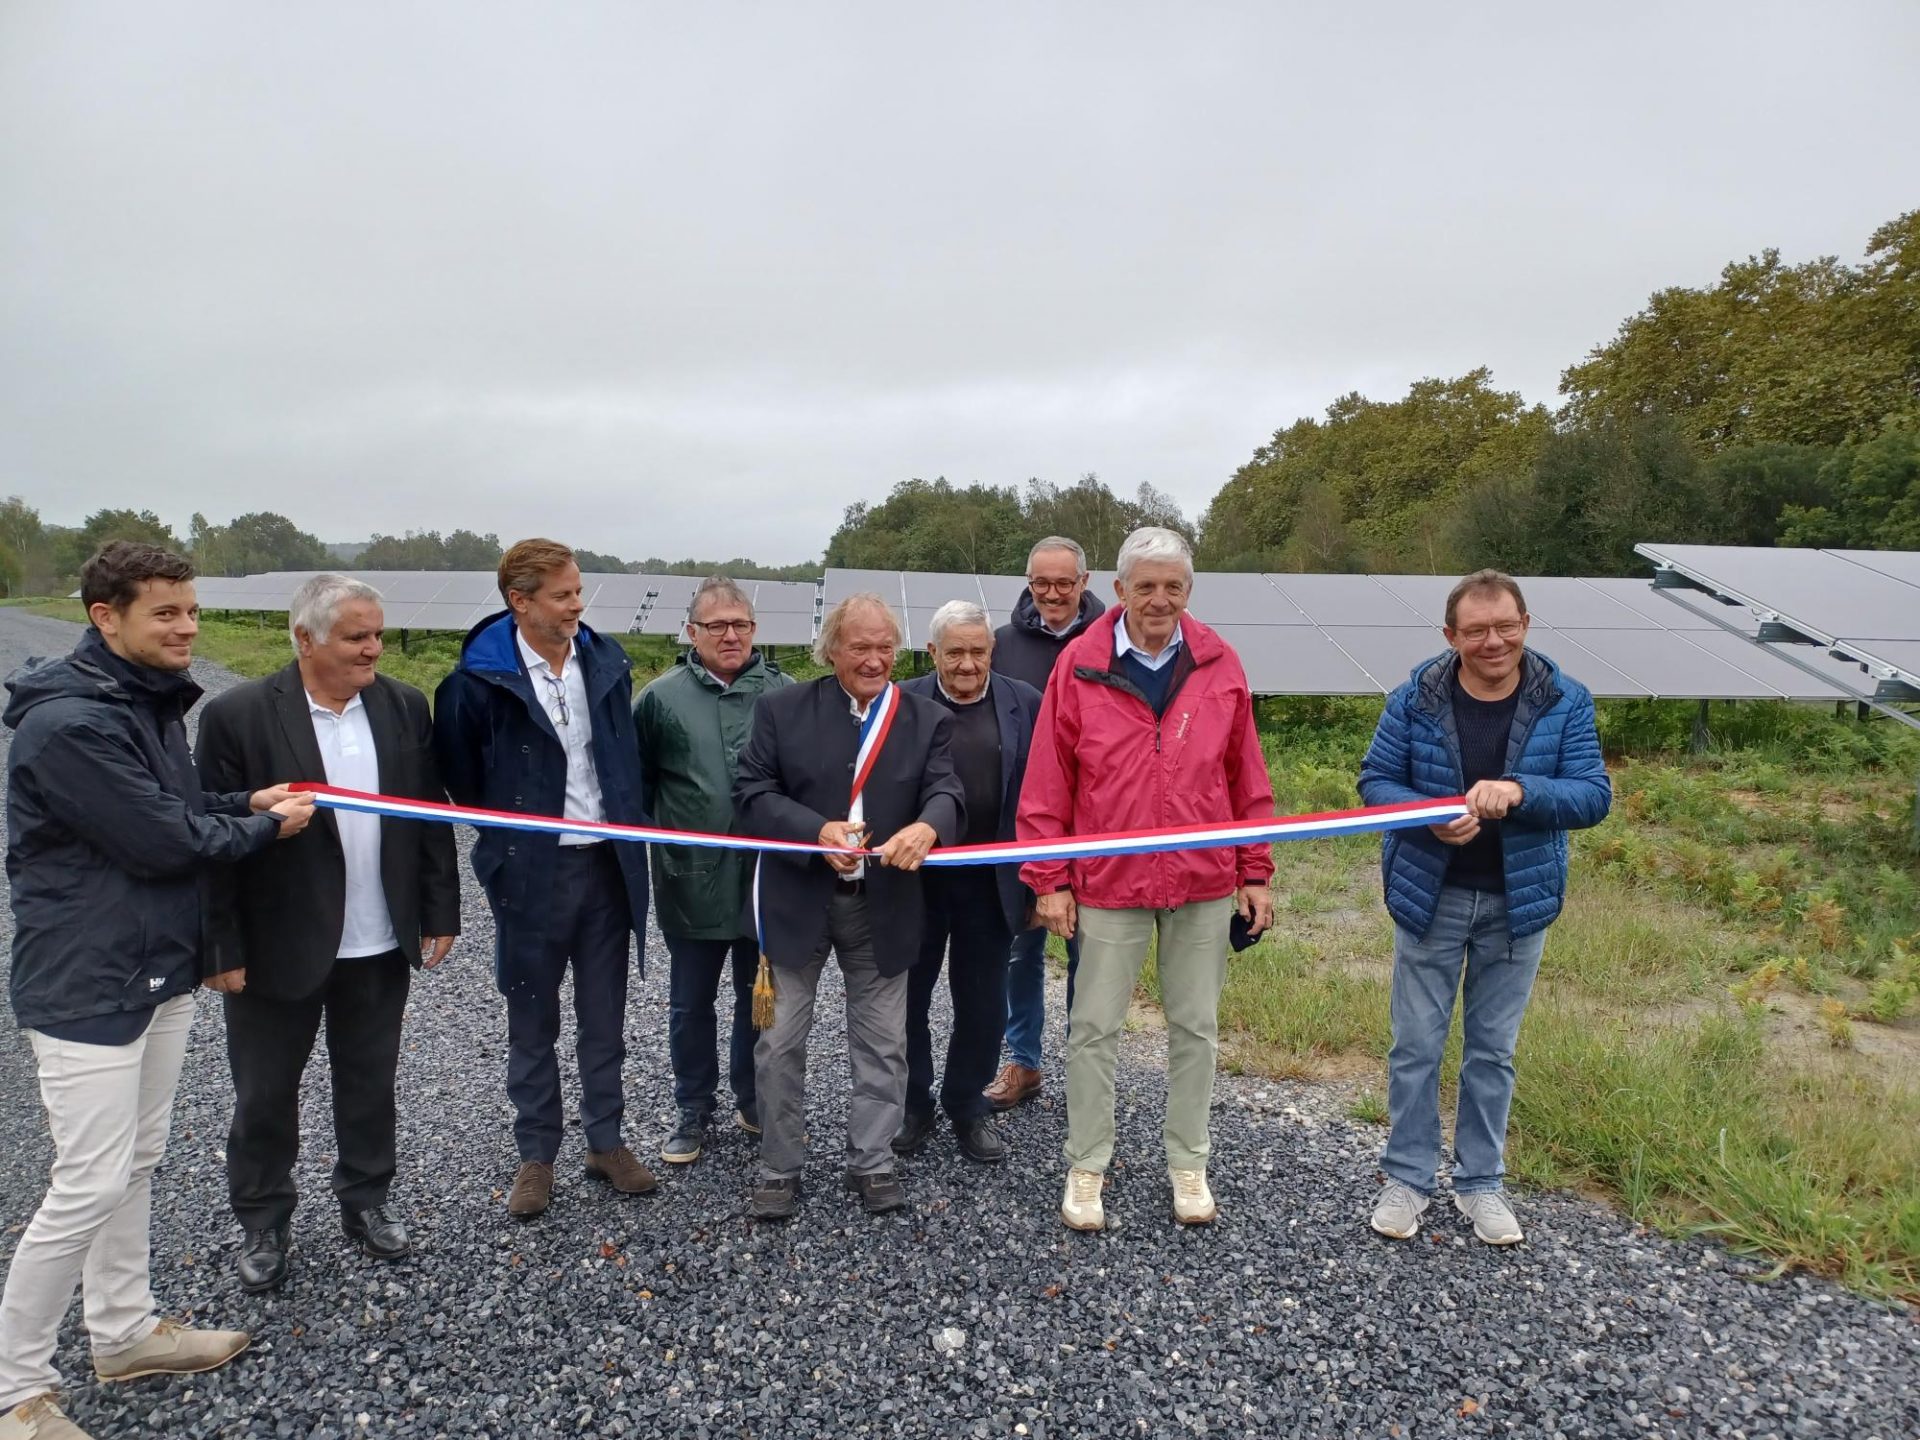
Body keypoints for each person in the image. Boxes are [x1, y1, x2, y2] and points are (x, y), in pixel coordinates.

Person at [0, 542, 313, 1440]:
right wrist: (264, 831)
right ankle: (16, 1386)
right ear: (106, 618)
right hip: (88, 982)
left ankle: (124, 1332)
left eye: (191, 610)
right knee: (87, 1180)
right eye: (165, 614)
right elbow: (162, 841)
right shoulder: (72, 726)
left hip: (152, 968)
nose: (188, 628)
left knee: (134, 1165)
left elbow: (176, 809)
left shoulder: (141, 704)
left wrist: (244, 803)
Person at [195, 574, 461, 1293]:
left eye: (376, 634)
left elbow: (426, 814)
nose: (373, 648)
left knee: (370, 1083)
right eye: (356, 637)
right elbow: (212, 839)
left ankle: (367, 1202)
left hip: (378, 940)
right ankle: (263, 1218)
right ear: (304, 638)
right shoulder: (238, 716)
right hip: (278, 943)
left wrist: (440, 909)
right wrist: (219, 947)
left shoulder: (404, 707)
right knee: (264, 1092)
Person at [1016, 526, 1275, 1232]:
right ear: (1121, 588)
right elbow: (1048, 784)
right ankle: (1087, 1164)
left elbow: (1245, 776)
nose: (1159, 599)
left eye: (1174, 586)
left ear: (1188, 591)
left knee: (1196, 1026)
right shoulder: (1078, 665)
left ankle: (1188, 1163)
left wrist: (1255, 871)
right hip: (1108, 882)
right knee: (1094, 1027)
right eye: (1146, 585)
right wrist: (1050, 878)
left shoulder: (1220, 664)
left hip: (1201, 882)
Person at [1357, 569, 1611, 1246]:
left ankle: (1481, 1184)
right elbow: (1375, 783)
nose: (1492, 641)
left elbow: (1592, 795)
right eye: (1476, 630)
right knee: (1416, 1047)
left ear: (1526, 624)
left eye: (1505, 626)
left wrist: (1523, 791)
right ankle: (1408, 1178)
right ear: (1452, 636)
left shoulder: (1566, 701)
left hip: (1517, 903)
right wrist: (1427, 817)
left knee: (1492, 1053)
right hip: (1429, 897)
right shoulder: (1415, 697)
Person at [433, 538, 656, 1219]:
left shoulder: (606, 662)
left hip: (606, 868)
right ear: (519, 601)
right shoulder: (475, 684)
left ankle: (606, 1141)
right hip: (531, 875)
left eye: (578, 591)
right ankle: (536, 1154)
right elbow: (463, 782)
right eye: (562, 596)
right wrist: (510, 847)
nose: (577, 605)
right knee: (532, 1019)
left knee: (604, 1016)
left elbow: (625, 758)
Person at [733, 593, 964, 1221]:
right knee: (778, 1044)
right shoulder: (780, 710)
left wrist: (929, 827)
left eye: (885, 646)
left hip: (882, 905)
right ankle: (779, 1166)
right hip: (796, 899)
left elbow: (946, 789)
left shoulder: (925, 718)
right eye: (860, 646)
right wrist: (815, 832)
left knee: (885, 1043)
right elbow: (750, 794)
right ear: (831, 648)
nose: (874, 659)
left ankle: (873, 1160)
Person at [634, 575, 792, 1165]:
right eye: (717, 625)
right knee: (689, 1002)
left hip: (764, 880)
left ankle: (752, 1096)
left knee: (762, 996)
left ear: (754, 629)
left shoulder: (782, 692)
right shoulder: (659, 699)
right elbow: (640, 785)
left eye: (741, 625)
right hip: (690, 878)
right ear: (691, 631)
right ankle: (692, 1107)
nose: (730, 635)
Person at [893, 601, 1043, 1165]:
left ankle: (966, 1104)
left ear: (991, 651)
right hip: (916, 884)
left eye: (977, 651)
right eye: (954, 652)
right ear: (932, 653)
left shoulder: (1025, 703)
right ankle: (913, 1104)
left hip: (992, 883)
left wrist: (1037, 884)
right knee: (906, 999)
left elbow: (1041, 799)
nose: (966, 663)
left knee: (982, 1005)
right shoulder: (902, 702)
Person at [984, 535, 1106, 1111]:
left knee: (1092, 948)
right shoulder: (1002, 644)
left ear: (1084, 583)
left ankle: (1085, 1068)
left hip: (1096, 823)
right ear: (1028, 583)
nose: (1053, 594)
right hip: (1023, 821)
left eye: (1064, 582)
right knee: (1021, 946)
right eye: (1041, 583)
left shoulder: (1113, 641)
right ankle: (1022, 1062)